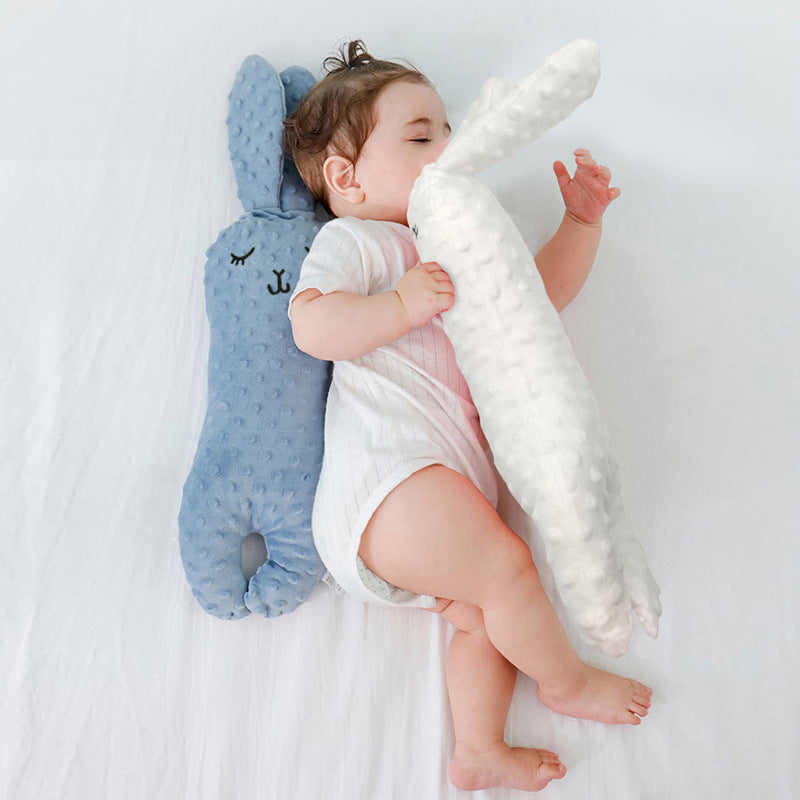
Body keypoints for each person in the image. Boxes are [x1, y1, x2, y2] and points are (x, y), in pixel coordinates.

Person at [284, 40, 651, 793]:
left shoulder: (460, 240)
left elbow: (534, 303)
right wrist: (398, 303)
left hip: (438, 494)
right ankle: (567, 684)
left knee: (484, 615)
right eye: (421, 137)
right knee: (510, 570)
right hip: (387, 482)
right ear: (346, 179)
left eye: (448, 132)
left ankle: (478, 748)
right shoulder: (355, 241)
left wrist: (579, 226)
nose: (447, 148)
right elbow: (313, 327)